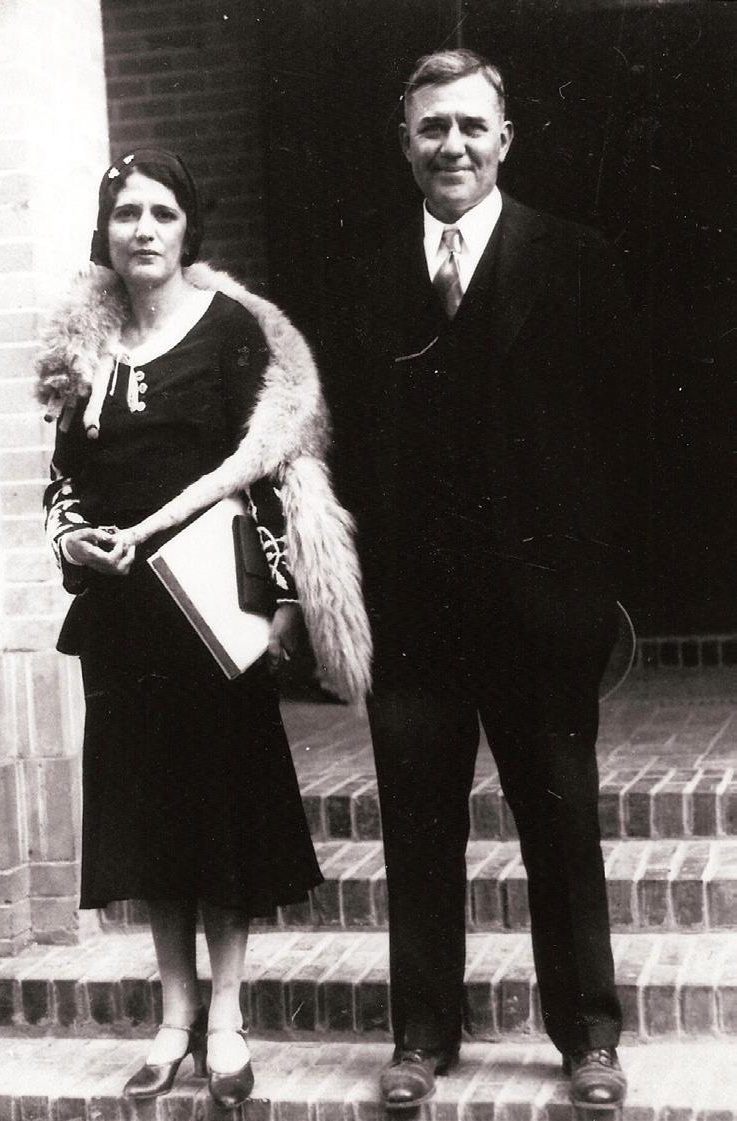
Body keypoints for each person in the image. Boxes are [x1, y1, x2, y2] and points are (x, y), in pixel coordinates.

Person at [36, 148, 371, 1107]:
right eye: (126, 214)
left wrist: (281, 601)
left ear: (189, 228)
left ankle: (226, 1016)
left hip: (215, 617)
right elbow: (62, 480)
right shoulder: (86, 344)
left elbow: (271, 472)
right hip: (123, 621)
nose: (143, 230)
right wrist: (75, 539)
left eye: (162, 213)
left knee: (221, 817)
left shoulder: (229, 331)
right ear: (105, 232)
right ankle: (172, 1016)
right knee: (151, 821)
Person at [339, 50, 638, 1112]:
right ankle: (422, 1030)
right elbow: (342, 447)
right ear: (404, 142)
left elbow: (628, 436)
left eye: (471, 126)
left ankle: (588, 1033)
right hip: (414, 617)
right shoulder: (368, 273)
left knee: (561, 823)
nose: (452, 145)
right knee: (419, 827)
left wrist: (594, 592)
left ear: (504, 139)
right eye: (432, 127)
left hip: (541, 613)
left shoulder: (575, 258)